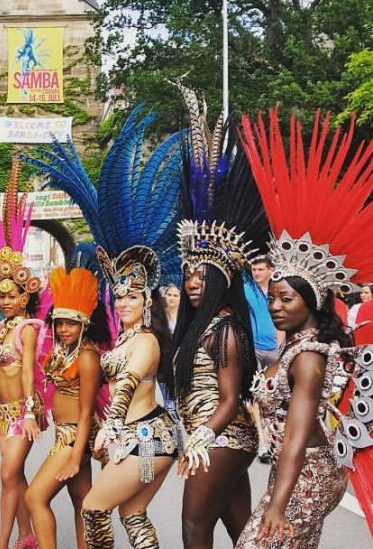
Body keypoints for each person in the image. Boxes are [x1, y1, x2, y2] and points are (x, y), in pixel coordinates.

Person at [23, 104, 185, 548]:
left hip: (149, 441)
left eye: (133, 295)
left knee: (94, 509)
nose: (124, 302)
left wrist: (107, 430)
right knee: (132, 515)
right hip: (142, 439)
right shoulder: (129, 336)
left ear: (147, 297)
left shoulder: (148, 341)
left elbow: (127, 387)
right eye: (119, 295)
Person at [235, 108, 372, 548]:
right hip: (293, 469)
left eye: (286, 299)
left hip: (308, 472)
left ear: (310, 303)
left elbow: (296, 434)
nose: (274, 306)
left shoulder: (309, 358)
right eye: (272, 297)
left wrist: (276, 504)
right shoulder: (296, 349)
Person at [167, 107, 271, 547]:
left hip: (224, 436)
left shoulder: (225, 328)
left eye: (201, 274)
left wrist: (201, 440)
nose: (192, 282)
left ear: (220, 281)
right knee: (244, 533)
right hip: (218, 437)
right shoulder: (199, 326)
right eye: (188, 273)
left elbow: (230, 399)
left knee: (194, 527)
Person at [0, 161, 48, 549]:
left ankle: (2, 542)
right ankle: (26, 536)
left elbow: (27, 373)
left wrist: (32, 412)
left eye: (12, 296)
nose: (5, 301)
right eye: (1, 296)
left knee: (7, 476)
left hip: (21, 413)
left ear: (25, 297)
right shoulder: (2, 327)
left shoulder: (26, 329)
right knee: (14, 475)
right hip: (2, 413)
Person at [25, 268, 110, 549]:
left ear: (84, 324)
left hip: (73, 437)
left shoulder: (86, 357)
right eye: (59, 323)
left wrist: (75, 457)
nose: (63, 329)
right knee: (82, 501)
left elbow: (87, 411)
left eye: (70, 324)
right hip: (66, 434)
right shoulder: (63, 351)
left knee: (35, 498)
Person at [245, 257, 282, 464]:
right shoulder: (246, 289)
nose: (256, 272)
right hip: (254, 348)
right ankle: (263, 442)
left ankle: (275, 438)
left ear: (270, 270)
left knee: (276, 395)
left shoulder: (279, 289)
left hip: (276, 348)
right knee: (257, 394)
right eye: (254, 269)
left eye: (260, 269)